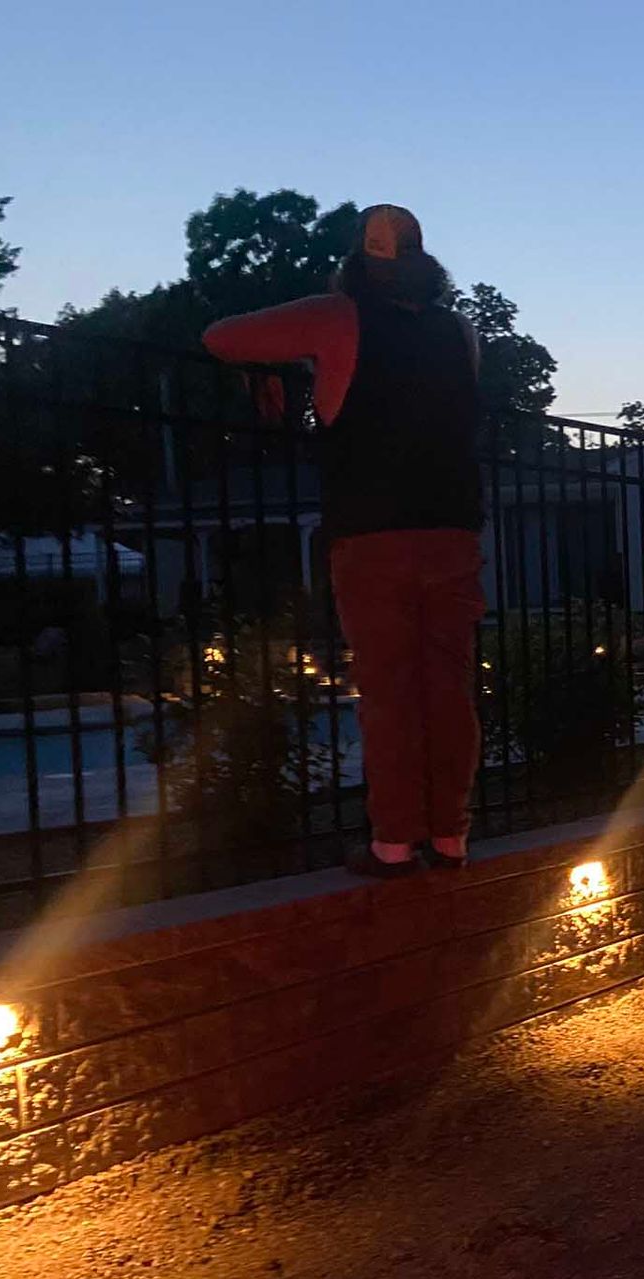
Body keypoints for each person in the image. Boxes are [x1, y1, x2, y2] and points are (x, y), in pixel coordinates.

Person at [203, 204, 485, 878]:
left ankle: (393, 843)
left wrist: (273, 373)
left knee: (388, 690)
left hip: (370, 531)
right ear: (423, 258)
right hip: (453, 526)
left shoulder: (336, 316)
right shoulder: (460, 331)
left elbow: (220, 337)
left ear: (358, 258)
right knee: (448, 688)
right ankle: (450, 836)